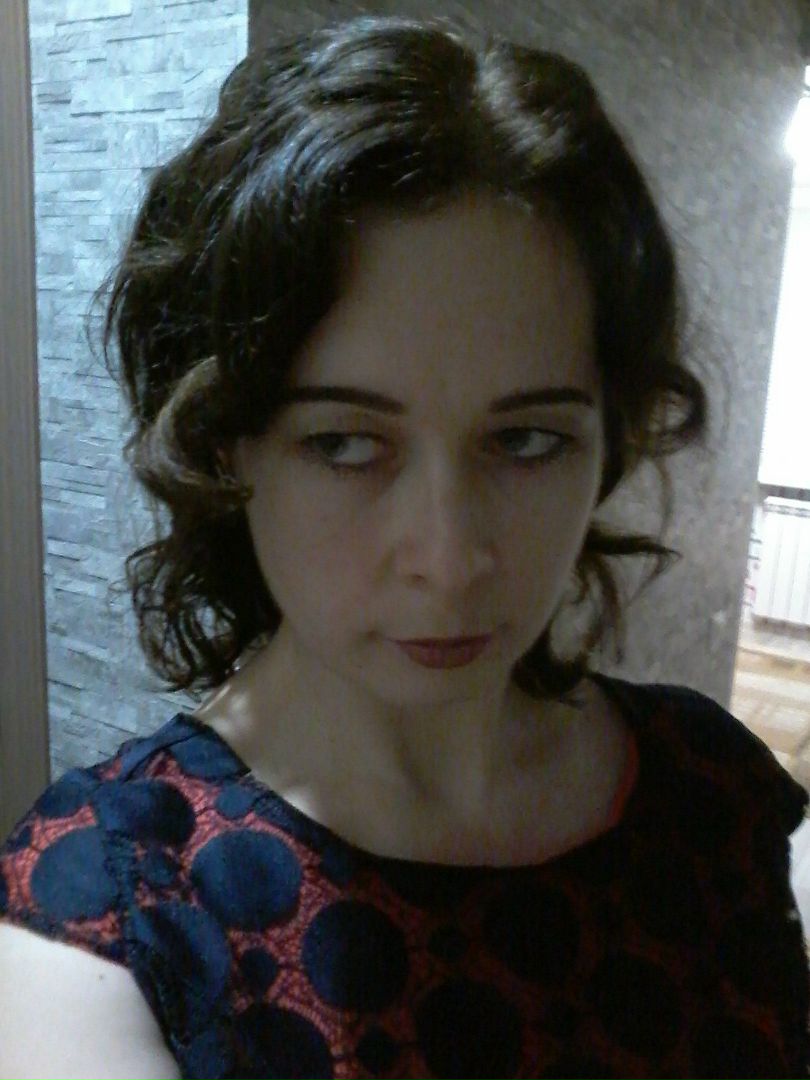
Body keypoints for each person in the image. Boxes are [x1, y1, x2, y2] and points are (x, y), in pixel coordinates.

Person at [0, 13, 807, 1080]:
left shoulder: (715, 796)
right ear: (226, 443)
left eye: (527, 440)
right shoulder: (107, 914)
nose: (450, 557)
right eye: (345, 443)